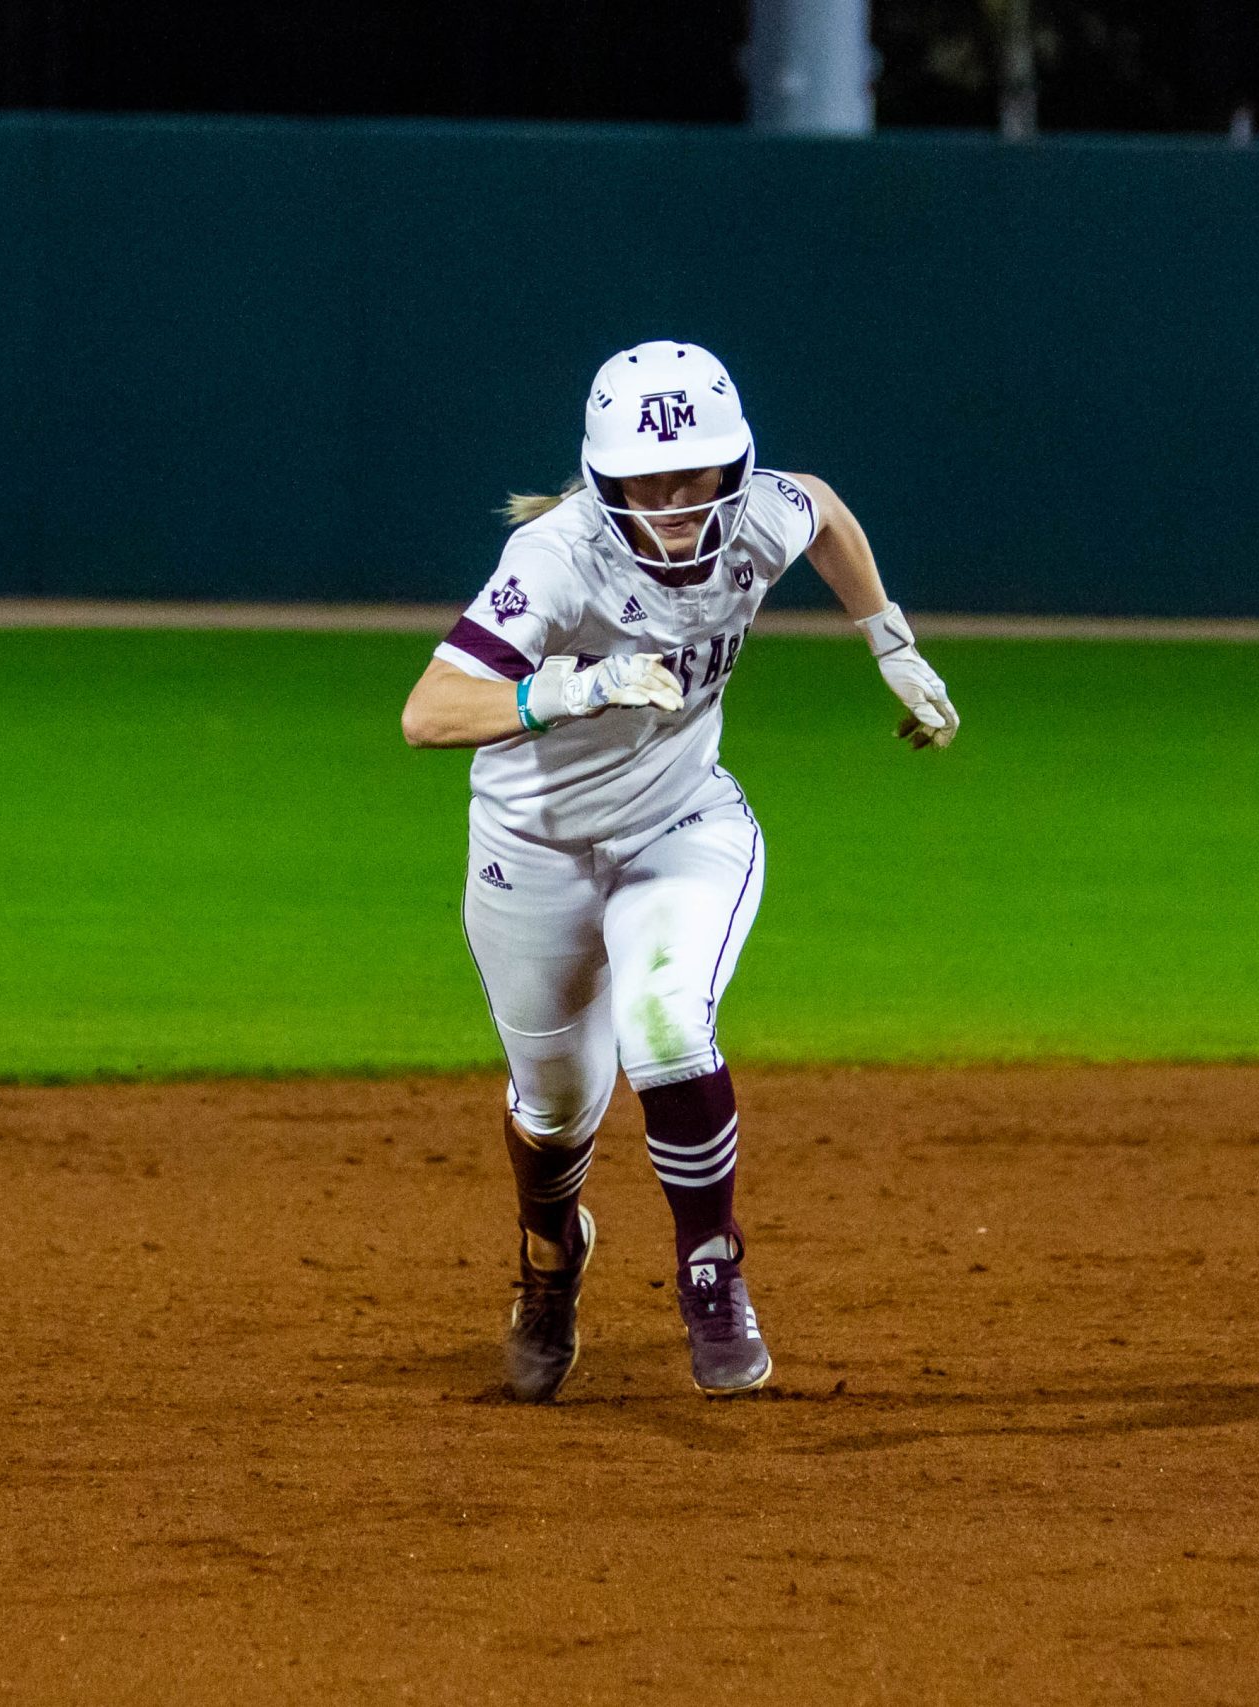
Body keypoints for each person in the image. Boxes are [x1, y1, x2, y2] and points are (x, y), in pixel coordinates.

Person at [401, 340, 960, 1402]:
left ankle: (714, 1273)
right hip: (535, 853)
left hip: (681, 826)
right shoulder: (558, 561)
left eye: (696, 473)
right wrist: (563, 691)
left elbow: (827, 507)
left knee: (666, 1023)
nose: (675, 499)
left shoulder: (755, 516)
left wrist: (888, 638)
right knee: (554, 1111)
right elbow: (427, 712)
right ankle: (550, 1264)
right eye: (647, 480)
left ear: (731, 467)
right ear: (603, 481)